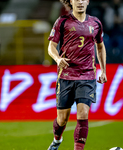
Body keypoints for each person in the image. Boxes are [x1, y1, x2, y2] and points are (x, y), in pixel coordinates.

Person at [47, 0, 107, 150]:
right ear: (71, 2)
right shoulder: (62, 22)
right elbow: (51, 47)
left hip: (87, 76)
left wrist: (104, 70)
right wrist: (58, 59)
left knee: (83, 114)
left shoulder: (96, 23)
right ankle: (57, 140)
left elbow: (100, 46)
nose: (80, 2)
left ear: (87, 2)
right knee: (62, 120)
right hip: (66, 76)